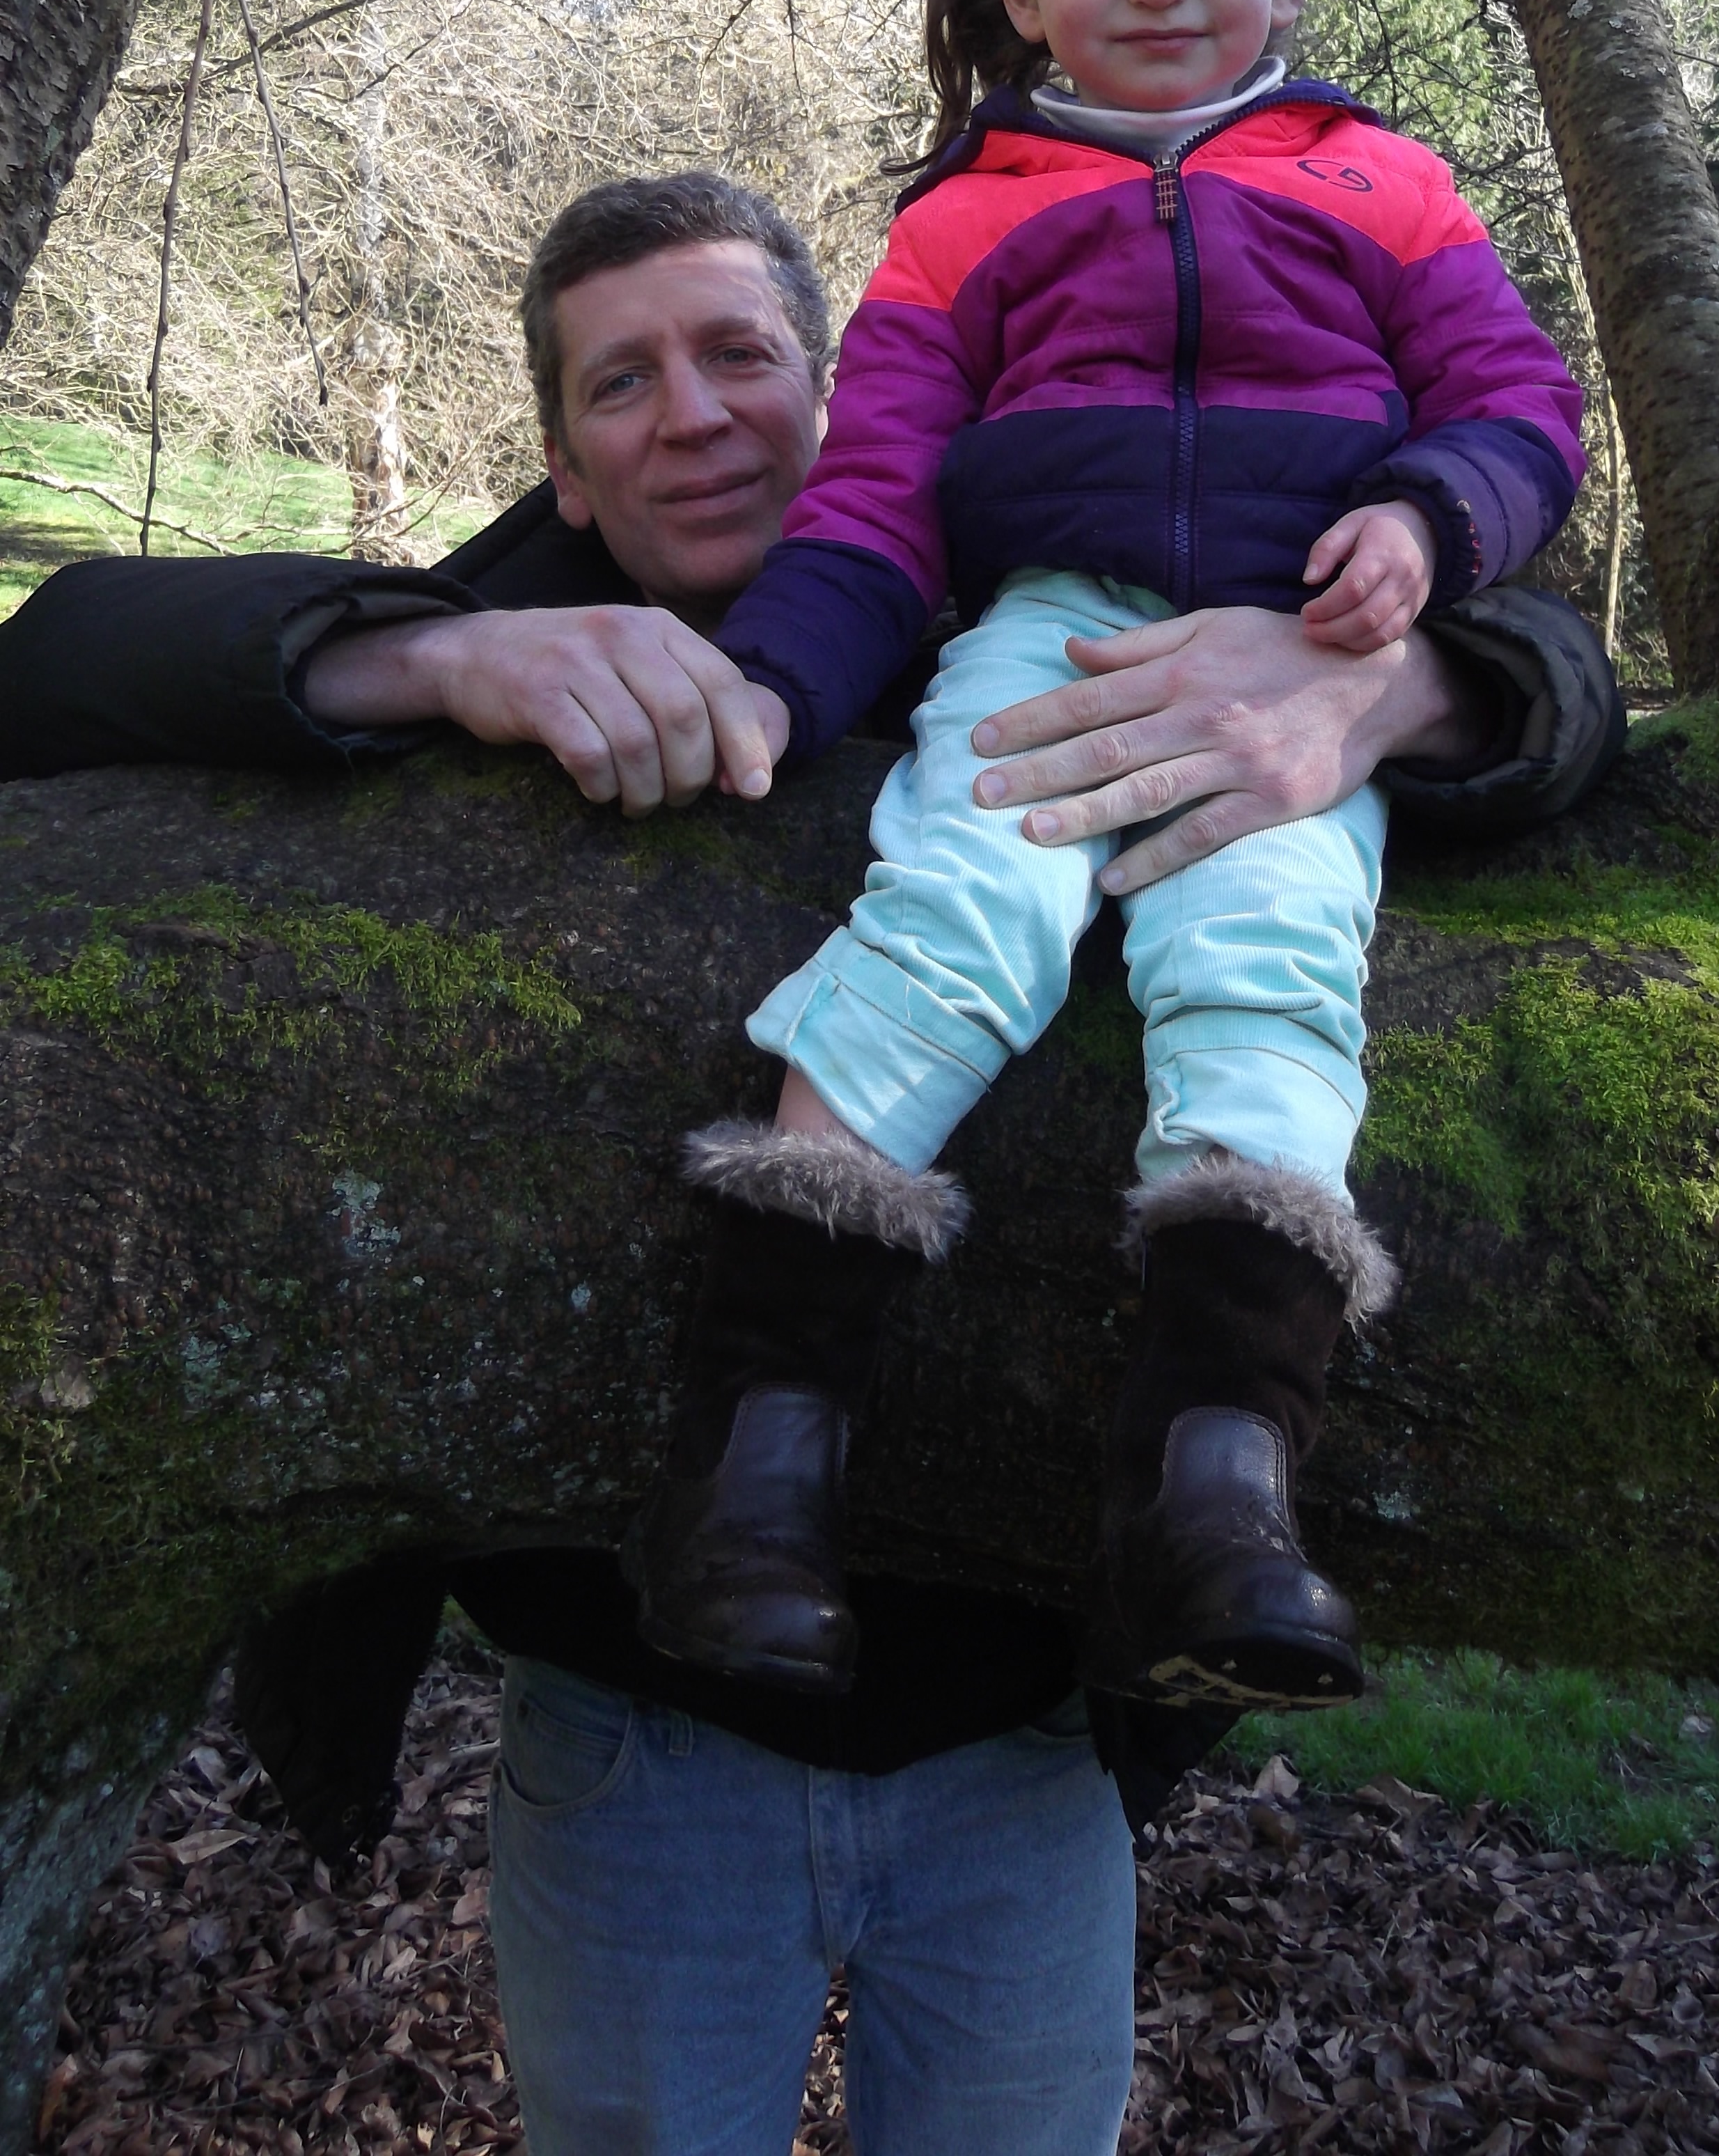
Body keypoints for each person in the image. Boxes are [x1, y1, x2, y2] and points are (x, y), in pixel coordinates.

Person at [0, 169, 1619, 2155]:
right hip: (634, 1737)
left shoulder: (1060, 612)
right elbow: (55, 659)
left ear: (847, 396)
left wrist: (1395, 682)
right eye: (621, 383)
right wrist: (424, 663)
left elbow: (1573, 691)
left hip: (1019, 1742)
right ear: (568, 466)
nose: (691, 413)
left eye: (741, 354)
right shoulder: (521, 622)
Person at [622, 0, 1588, 1745]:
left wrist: (1425, 525)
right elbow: (878, 489)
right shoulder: (969, 218)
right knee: (951, 912)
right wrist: (774, 682)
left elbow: (1516, 409)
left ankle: (1217, 1481)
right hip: (1053, 635)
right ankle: (761, 1467)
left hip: (1296, 655)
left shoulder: (1384, 184)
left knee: (1267, 974)